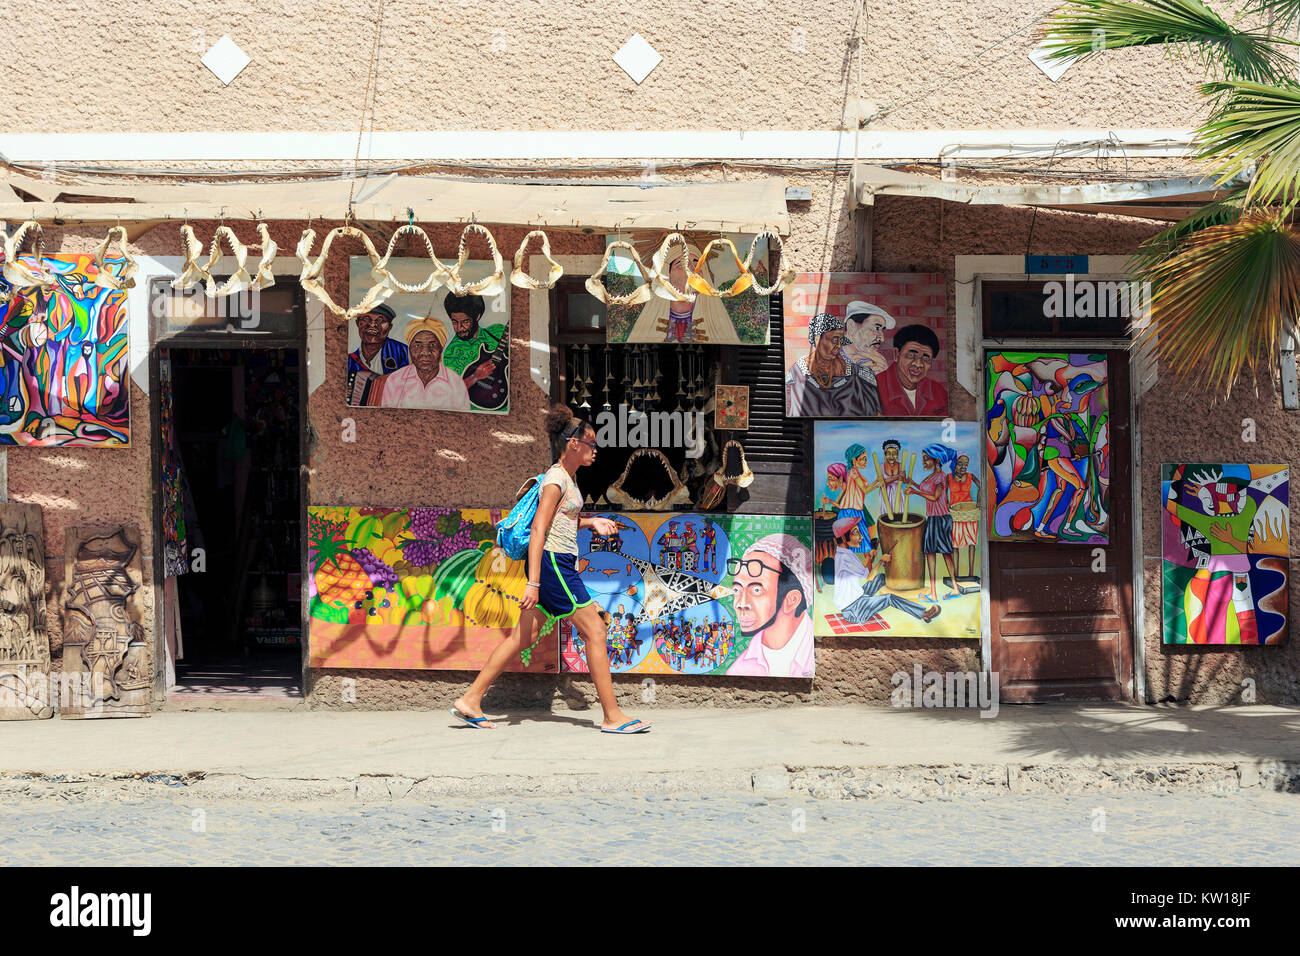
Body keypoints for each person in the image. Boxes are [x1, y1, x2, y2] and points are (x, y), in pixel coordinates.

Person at [452, 407, 650, 733]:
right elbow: (539, 530)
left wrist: (589, 523)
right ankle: (613, 717)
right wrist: (533, 583)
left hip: (554, 564)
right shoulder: (556, 479)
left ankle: (470, 700)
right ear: (573, 444)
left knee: (520, 638)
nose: (595, 449)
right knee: (596, 632)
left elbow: (561, 522)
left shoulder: (566, 478)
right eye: (590, 443)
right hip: (555, 565)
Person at [726, 534, 815, 678]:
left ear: (792, 600)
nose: (741, 604)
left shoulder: (813, 654)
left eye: (756, 590)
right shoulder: (739, 668)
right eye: (737, 590)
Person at [831, 517, 939, 626]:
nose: (861, 536)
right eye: (856, 533)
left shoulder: (843, 553)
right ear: (844, 538)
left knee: (881, 578)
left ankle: (898, 595)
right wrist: (881, 561)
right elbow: (868, 577)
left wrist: (870, 558)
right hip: (854, 610)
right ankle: (923, 614)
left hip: (856, 599)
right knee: (889, 598)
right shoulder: (845, 557)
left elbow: (861, 571)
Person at [627, 242, 737, 343]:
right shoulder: (649, 321)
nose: (692, 272)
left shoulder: (714, 317)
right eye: (682, 266)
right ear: (667, 275)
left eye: (697, 265)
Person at [785, 313, 881, 417]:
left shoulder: (859, 376)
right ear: (817, 340)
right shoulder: (796, 376)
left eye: (841, 341)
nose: (839, 346)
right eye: (834, 340)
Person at [373, 318, 472, 410]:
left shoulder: (455, 383)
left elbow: (462, 424)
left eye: (432, 345)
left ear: (441, 348)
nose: (425, 352)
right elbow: (386, 421)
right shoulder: (395, 380)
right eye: (418, 345)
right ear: (409, 348)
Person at [906, 443, 961, 602]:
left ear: (937, 460)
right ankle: (935, 593)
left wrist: (915, 491)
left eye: (926, 459)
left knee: (944, 554)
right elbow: (927, 490)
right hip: (933, 518)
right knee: (932, 554)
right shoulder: (931, 476)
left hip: (940, 519)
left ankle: (953, 589)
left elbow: (935, 497)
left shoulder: (940, 476)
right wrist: (912, 483)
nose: (923, 462)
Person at [439, 291, 507, 390]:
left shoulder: (498, 332)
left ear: (477, 317)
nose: (459, 328)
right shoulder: (452, 352)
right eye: (454, 322)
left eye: (465, 321)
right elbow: (451, 390)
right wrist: (474, 377)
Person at [877, 324, 948, 416]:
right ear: (896, 354)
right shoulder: (873, 387)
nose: (918, 364)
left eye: (926, 359)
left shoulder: (938, 392)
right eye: (911, 355)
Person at [348, 304, 409, 374]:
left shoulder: (403, 353)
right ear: (357, 323)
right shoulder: (350, 361)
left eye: (380, 320)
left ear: (390, 327)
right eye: (366, 319)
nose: (372, 324)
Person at [841, 300, 894, 377]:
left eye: (882, 330)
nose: (882, 339)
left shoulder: (875, 365)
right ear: (851, 326)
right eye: (876, 328)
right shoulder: (827, 359)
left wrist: (884, 379)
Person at [947, 454, 980, 578]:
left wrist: (979, 501)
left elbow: (981, 486)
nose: (963, 467)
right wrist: (947, 503)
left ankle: (971, 573)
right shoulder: (948, 477)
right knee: (955, 545)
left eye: (966, 465)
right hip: (956, 515)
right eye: (960, 464)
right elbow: (944, 493)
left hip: (970, 515)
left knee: (972, 544)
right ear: (954, 464)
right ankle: (955, 575)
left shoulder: (971, 476)